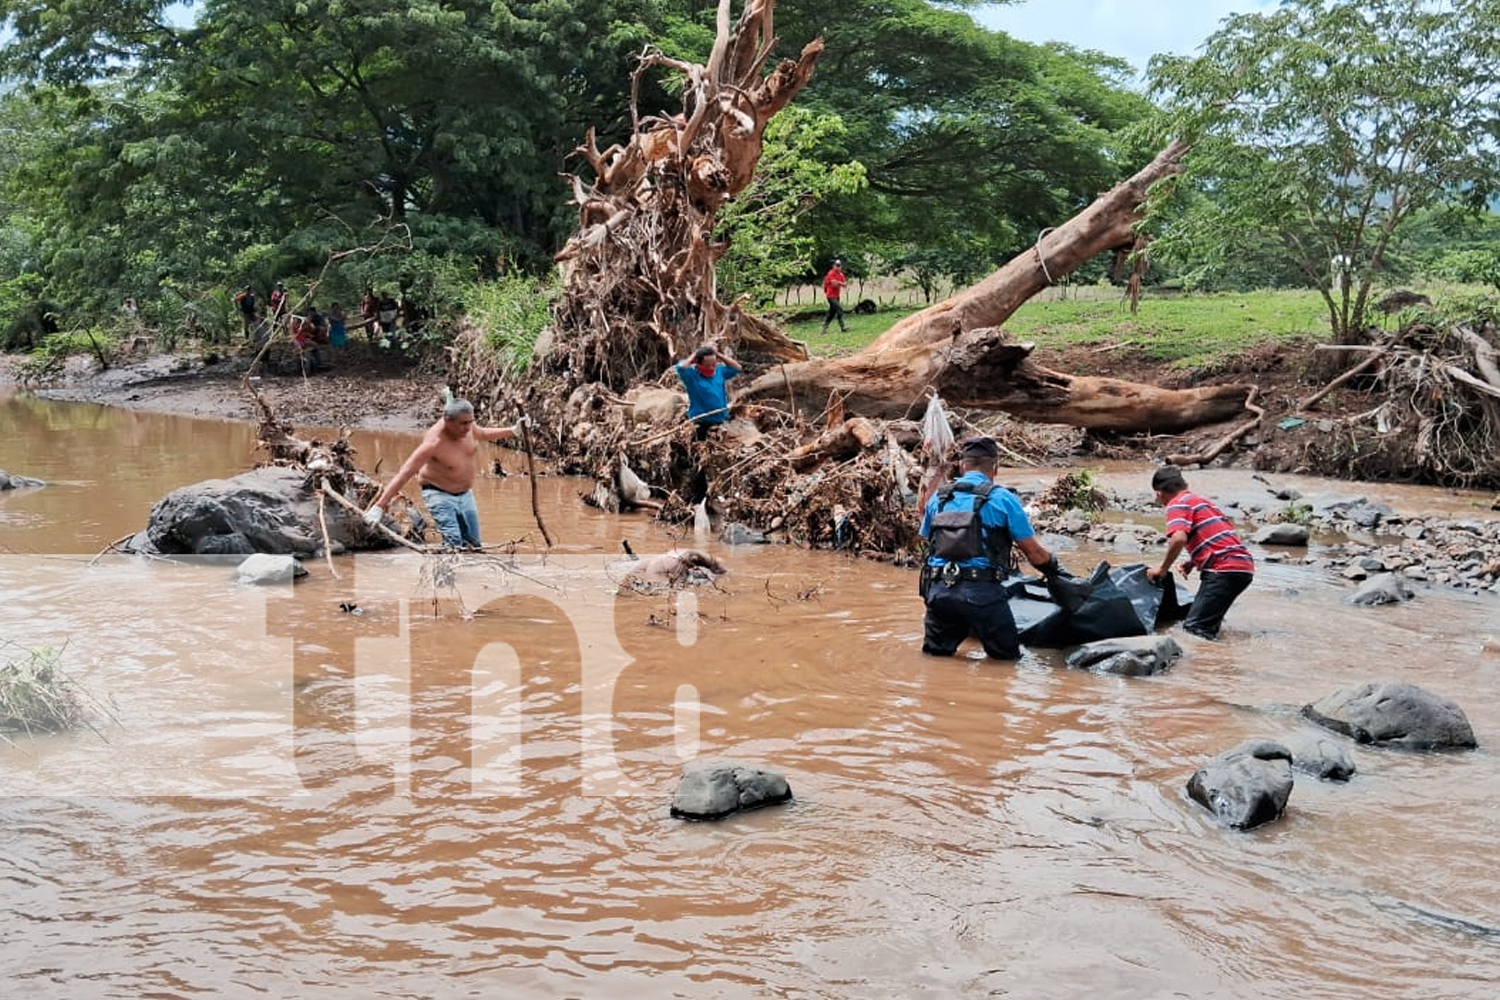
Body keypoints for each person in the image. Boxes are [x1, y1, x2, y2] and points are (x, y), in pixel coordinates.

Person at [919, 437, 1072, 659]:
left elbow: (927, 541)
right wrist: (1056, 572)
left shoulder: (938, 499)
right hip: (981, 595)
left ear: (962, 466)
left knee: (936, 659)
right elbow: (1033, 553)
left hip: (940, 594)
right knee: (1006, 661)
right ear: (996, 467)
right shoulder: (1002, 499)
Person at [363, 400, 531, 549]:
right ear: (448, 421)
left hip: (466, 494)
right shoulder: (433, 442)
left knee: (473, 544)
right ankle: (444, 579)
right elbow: (405, 472)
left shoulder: (469, 427)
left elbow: (483, 434)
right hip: (438, 493)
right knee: (453, 541)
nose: (468, 428)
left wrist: (513, 430)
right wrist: (379, 506)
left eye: (470, 422)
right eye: (463, 424)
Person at [1146, 465, 1255, 639]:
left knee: (1195, 629)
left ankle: (1214, 663)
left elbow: (1179, 538)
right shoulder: (1201, 502)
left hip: (1224, 569)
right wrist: (1193, 561)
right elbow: (1218, 536)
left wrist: (1162, 569)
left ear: (1159, 493)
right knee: (1207, 622)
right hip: (1242, 566)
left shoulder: (1176, 503)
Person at [676, 344, 742, 439]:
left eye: (713, 364)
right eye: (707, 365)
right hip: (701, 421)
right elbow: (681, 367)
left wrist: (718, 355)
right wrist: (695, 354)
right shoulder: (692, 376)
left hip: (720, 418)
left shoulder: (719, 372)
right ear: (698, 363)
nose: (711, 368)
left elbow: (737, 368)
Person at [821, 259, 848, 334]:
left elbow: (845, 284)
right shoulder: (831, 273)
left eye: (839, 266)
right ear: (833, 266)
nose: (838, 267)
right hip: (830, 295)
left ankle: (824, 326)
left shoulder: (841, 274)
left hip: (836, 296)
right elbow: (834, 284)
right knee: (839, 310)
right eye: (837, 266)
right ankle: (843, 326)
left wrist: (839, 283)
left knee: (832, 313)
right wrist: (841, 283)